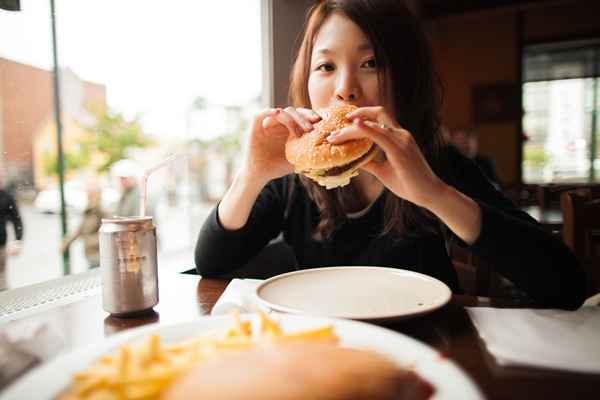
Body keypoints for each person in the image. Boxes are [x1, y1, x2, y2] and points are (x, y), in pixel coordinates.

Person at [195, 0, 586, 309]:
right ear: (307, 81)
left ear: (405, 78)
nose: (345, 89)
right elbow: (211, 264)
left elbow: (567, 285)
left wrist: (434, 193)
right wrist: (251, 174)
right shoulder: (295, 178)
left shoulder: (436, 164)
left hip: (428, 348)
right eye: (326, 66)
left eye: (370, 63)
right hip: (325, 348)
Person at [60, 184, 105, 269]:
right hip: (90, 255)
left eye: (92, 194)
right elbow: (79, 229)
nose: (89, 196)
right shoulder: (88, 210)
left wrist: (88, 240)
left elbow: (107, 235)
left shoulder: (101, 211)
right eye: (88, 194)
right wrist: (66, 242)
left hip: (99, 256)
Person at [0, 183, 23, 291]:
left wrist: (18, 240)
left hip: (1, 245)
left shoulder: (5, 197)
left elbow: (16, 219)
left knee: (1, 280)